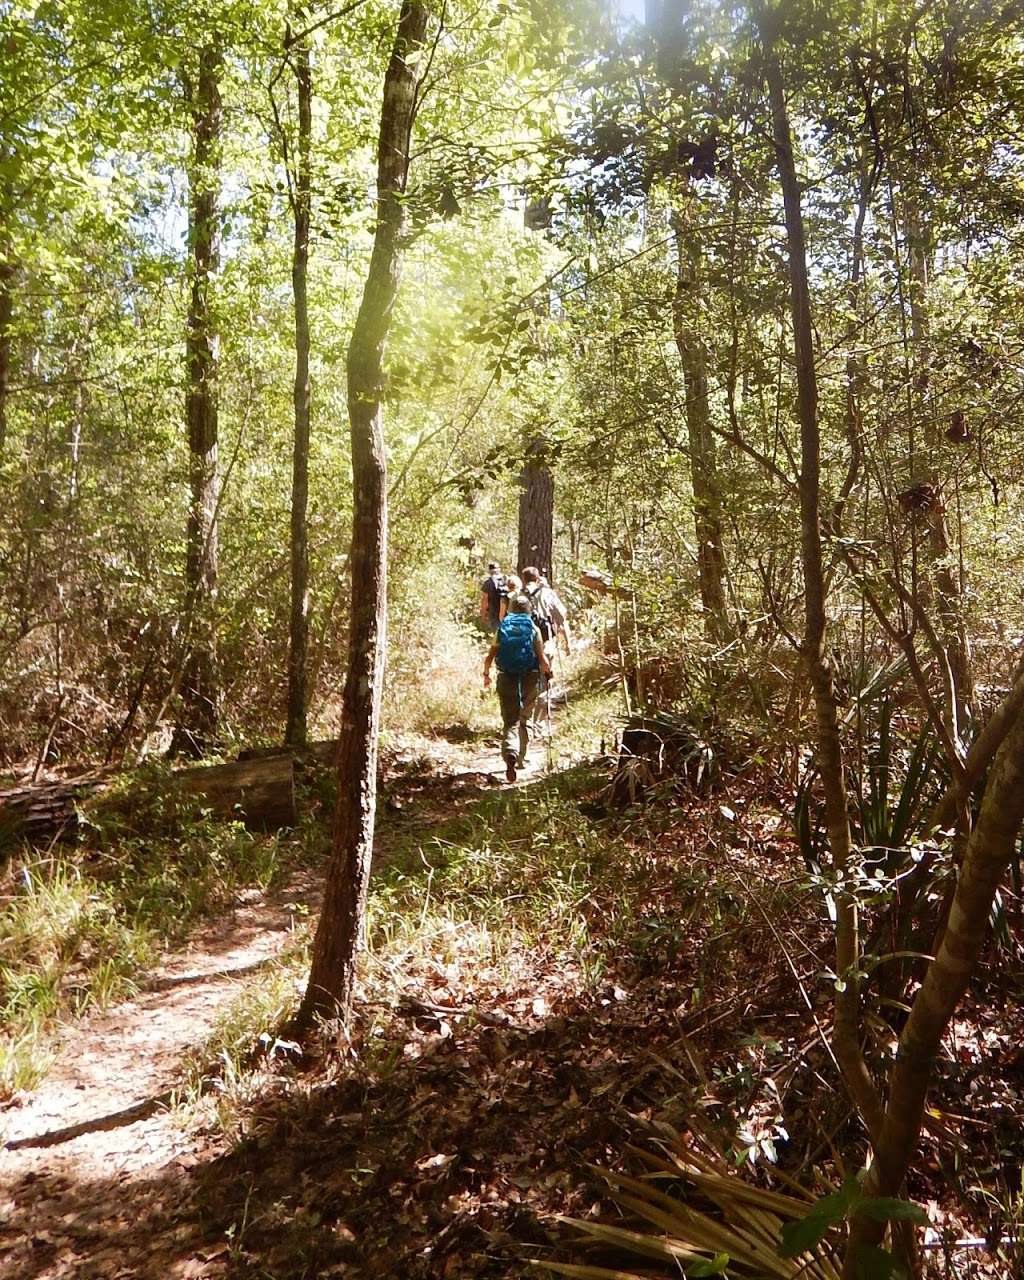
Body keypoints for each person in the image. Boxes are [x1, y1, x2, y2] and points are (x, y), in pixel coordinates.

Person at [483, 594, 552, 782]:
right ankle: (523, 757)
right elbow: (542, 658)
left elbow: (490, 656)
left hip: (506, 675)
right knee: (526, 715)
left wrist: (486, 673)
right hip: (530, 674)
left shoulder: (503, 627)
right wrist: (548, 672)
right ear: (529, 609)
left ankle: (509, 754)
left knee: (510, 719)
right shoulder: (533, 628)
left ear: (511, 609)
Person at [520, 566, 571, 656]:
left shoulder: (517, 595)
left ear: (523, 579)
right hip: (544, 635)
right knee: (546, 660)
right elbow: (561, 615)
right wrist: (567, 643)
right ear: (537, 578)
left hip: (523, 636)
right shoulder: (547, 593)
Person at [479, 561, 506, 632]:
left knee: (496, 632)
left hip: (493, 611)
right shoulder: (507, 579)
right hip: (507, 611)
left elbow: (485, 599)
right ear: (499, 569)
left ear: (490, 571)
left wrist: (483, 613)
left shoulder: (488, 583)